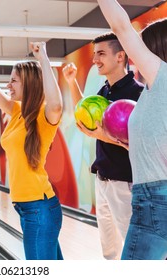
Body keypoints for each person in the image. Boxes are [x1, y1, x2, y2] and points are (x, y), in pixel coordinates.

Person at [0, 32, 64, 260]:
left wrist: (43, 59)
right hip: (29, 207)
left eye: (13, 80)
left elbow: (57, 103)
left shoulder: (44, 115)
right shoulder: (17, 111)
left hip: (39, 207)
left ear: (29, 82)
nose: (8, 84)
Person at [62, 32, 144, 260]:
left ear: (120, 56)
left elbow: (140, 143)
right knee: (109, 251)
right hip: (103, 179)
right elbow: (85, 110)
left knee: (133, 249)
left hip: (125, 182)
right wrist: (71, 82)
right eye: (94, 54)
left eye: (101, 53)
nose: (95, 59)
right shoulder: (105, 91)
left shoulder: (137, 93)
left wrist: (104, 136)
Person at [97, 0, 167, 260]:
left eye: (142, 50)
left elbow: (121, 27)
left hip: (154, 200)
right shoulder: (154, 91)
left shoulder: (162, 76)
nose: (135, 58)